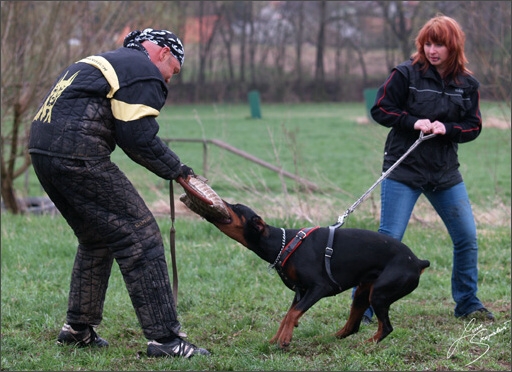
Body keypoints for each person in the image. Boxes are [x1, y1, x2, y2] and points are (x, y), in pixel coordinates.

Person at [28, 28, 210, 358]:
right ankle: (166, 340)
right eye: (174, 71)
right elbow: (137, 136)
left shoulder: (107, 62)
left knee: (97, 237)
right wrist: (180, 172)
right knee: (140, 235)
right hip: (76, 154)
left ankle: (77, 329)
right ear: (163, 54)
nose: (169, 81)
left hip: (42, 153)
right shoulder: (143, 69)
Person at [358, 15, 495, 323]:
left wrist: (449, 129)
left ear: (453, 46)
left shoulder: (468, 84)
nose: (433, 50)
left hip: (445, 175)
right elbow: (379, 109)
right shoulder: (405, 74)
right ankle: (363, 306)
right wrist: (412, 121)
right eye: (428, 44)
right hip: (404, 172)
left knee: (467, 238)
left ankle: (468, 303)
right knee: (388, 240)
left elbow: (473, 127)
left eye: (440, 45)